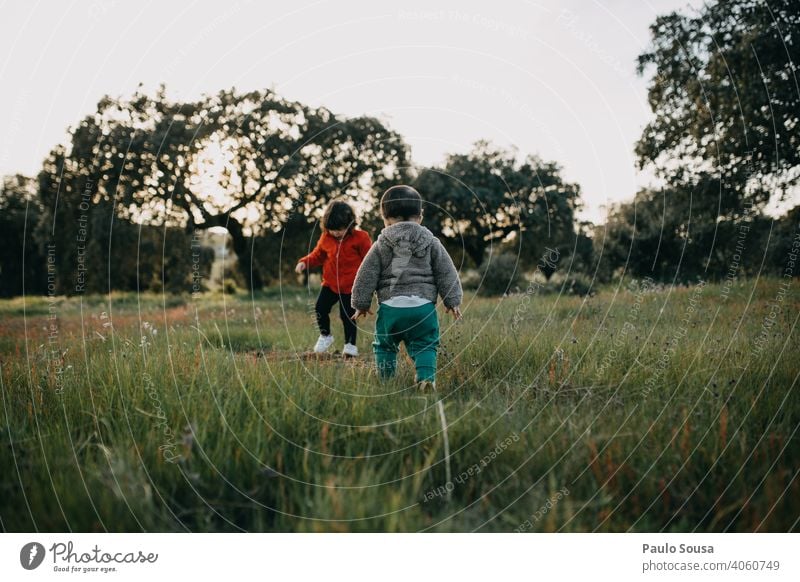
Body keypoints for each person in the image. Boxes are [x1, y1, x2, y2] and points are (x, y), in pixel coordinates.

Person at [351, 185, 462, 390]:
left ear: (385, 218)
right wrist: (452, 300)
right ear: (420, 216)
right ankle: (426, 378)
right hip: (423, 308)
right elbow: (446, 271)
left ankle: (386, 382)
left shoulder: (382, 243)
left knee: (385, 345)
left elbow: (366, 273)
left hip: (391, 308)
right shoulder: (431, 241)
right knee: (426, 344)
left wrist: (361, 303)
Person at [295, 199, 372, 357]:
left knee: (347, 316)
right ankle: (325, 336)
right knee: (320, 309)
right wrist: (304, 262)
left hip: (350, 286)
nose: (336, 233)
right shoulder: (326, 238)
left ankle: (350, 345)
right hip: (330, 284)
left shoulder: (361, 238)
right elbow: (318, 255)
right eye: (332, 229)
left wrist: (369, 284)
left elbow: (369, 261)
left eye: (340, 229)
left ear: (350, 225)